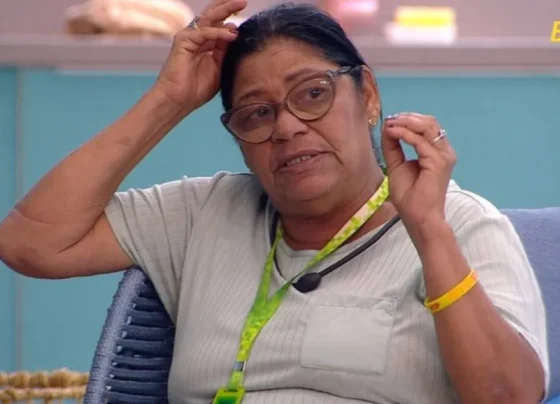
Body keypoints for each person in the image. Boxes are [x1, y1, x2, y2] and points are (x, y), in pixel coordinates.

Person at [0, 1, 549, 403]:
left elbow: (509, 397)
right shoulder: (203, 213)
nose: (287, 127)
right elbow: (31, 242)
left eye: (313, 94)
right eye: (257, 113)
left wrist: (428, 231)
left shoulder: (458, 224)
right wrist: (168, 101)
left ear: (368, 95)